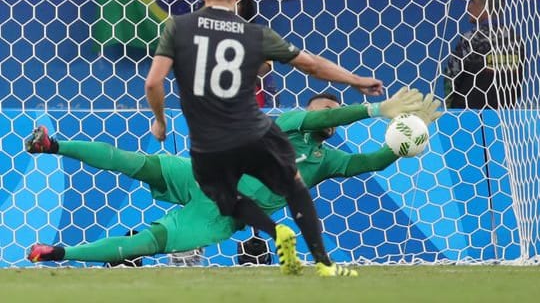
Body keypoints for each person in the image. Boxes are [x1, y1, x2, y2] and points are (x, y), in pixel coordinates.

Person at [26, 89, 441, 272]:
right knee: (134, 162)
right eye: (323, 107)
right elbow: (326, 116)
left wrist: (402, 145)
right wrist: (372, 110)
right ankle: (52, 145)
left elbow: (367, 162)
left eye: (332, 109)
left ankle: (57, 252)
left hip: (221, 213)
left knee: (149, 242)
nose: (327, 115)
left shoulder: (327, 160)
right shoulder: (290, 123)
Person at [145, 0, 383, 277]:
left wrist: (160, 121)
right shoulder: (256, 34)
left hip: (208, 141)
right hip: (252, 131)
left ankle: (273, 231)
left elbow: (153, 82)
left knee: (226, 199)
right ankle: (324, 263)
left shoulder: (178, 27)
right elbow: (312, 66)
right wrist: (356, 80)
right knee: (294, 186)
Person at [444, 0, 524, 109]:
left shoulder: (471, 39)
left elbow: (451, 78)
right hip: (503, 115)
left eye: (473, 1)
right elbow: (518, 84)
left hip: (466, 116)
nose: (468, 7)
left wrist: (449, 107)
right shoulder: (516, 40)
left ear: (485, 7)